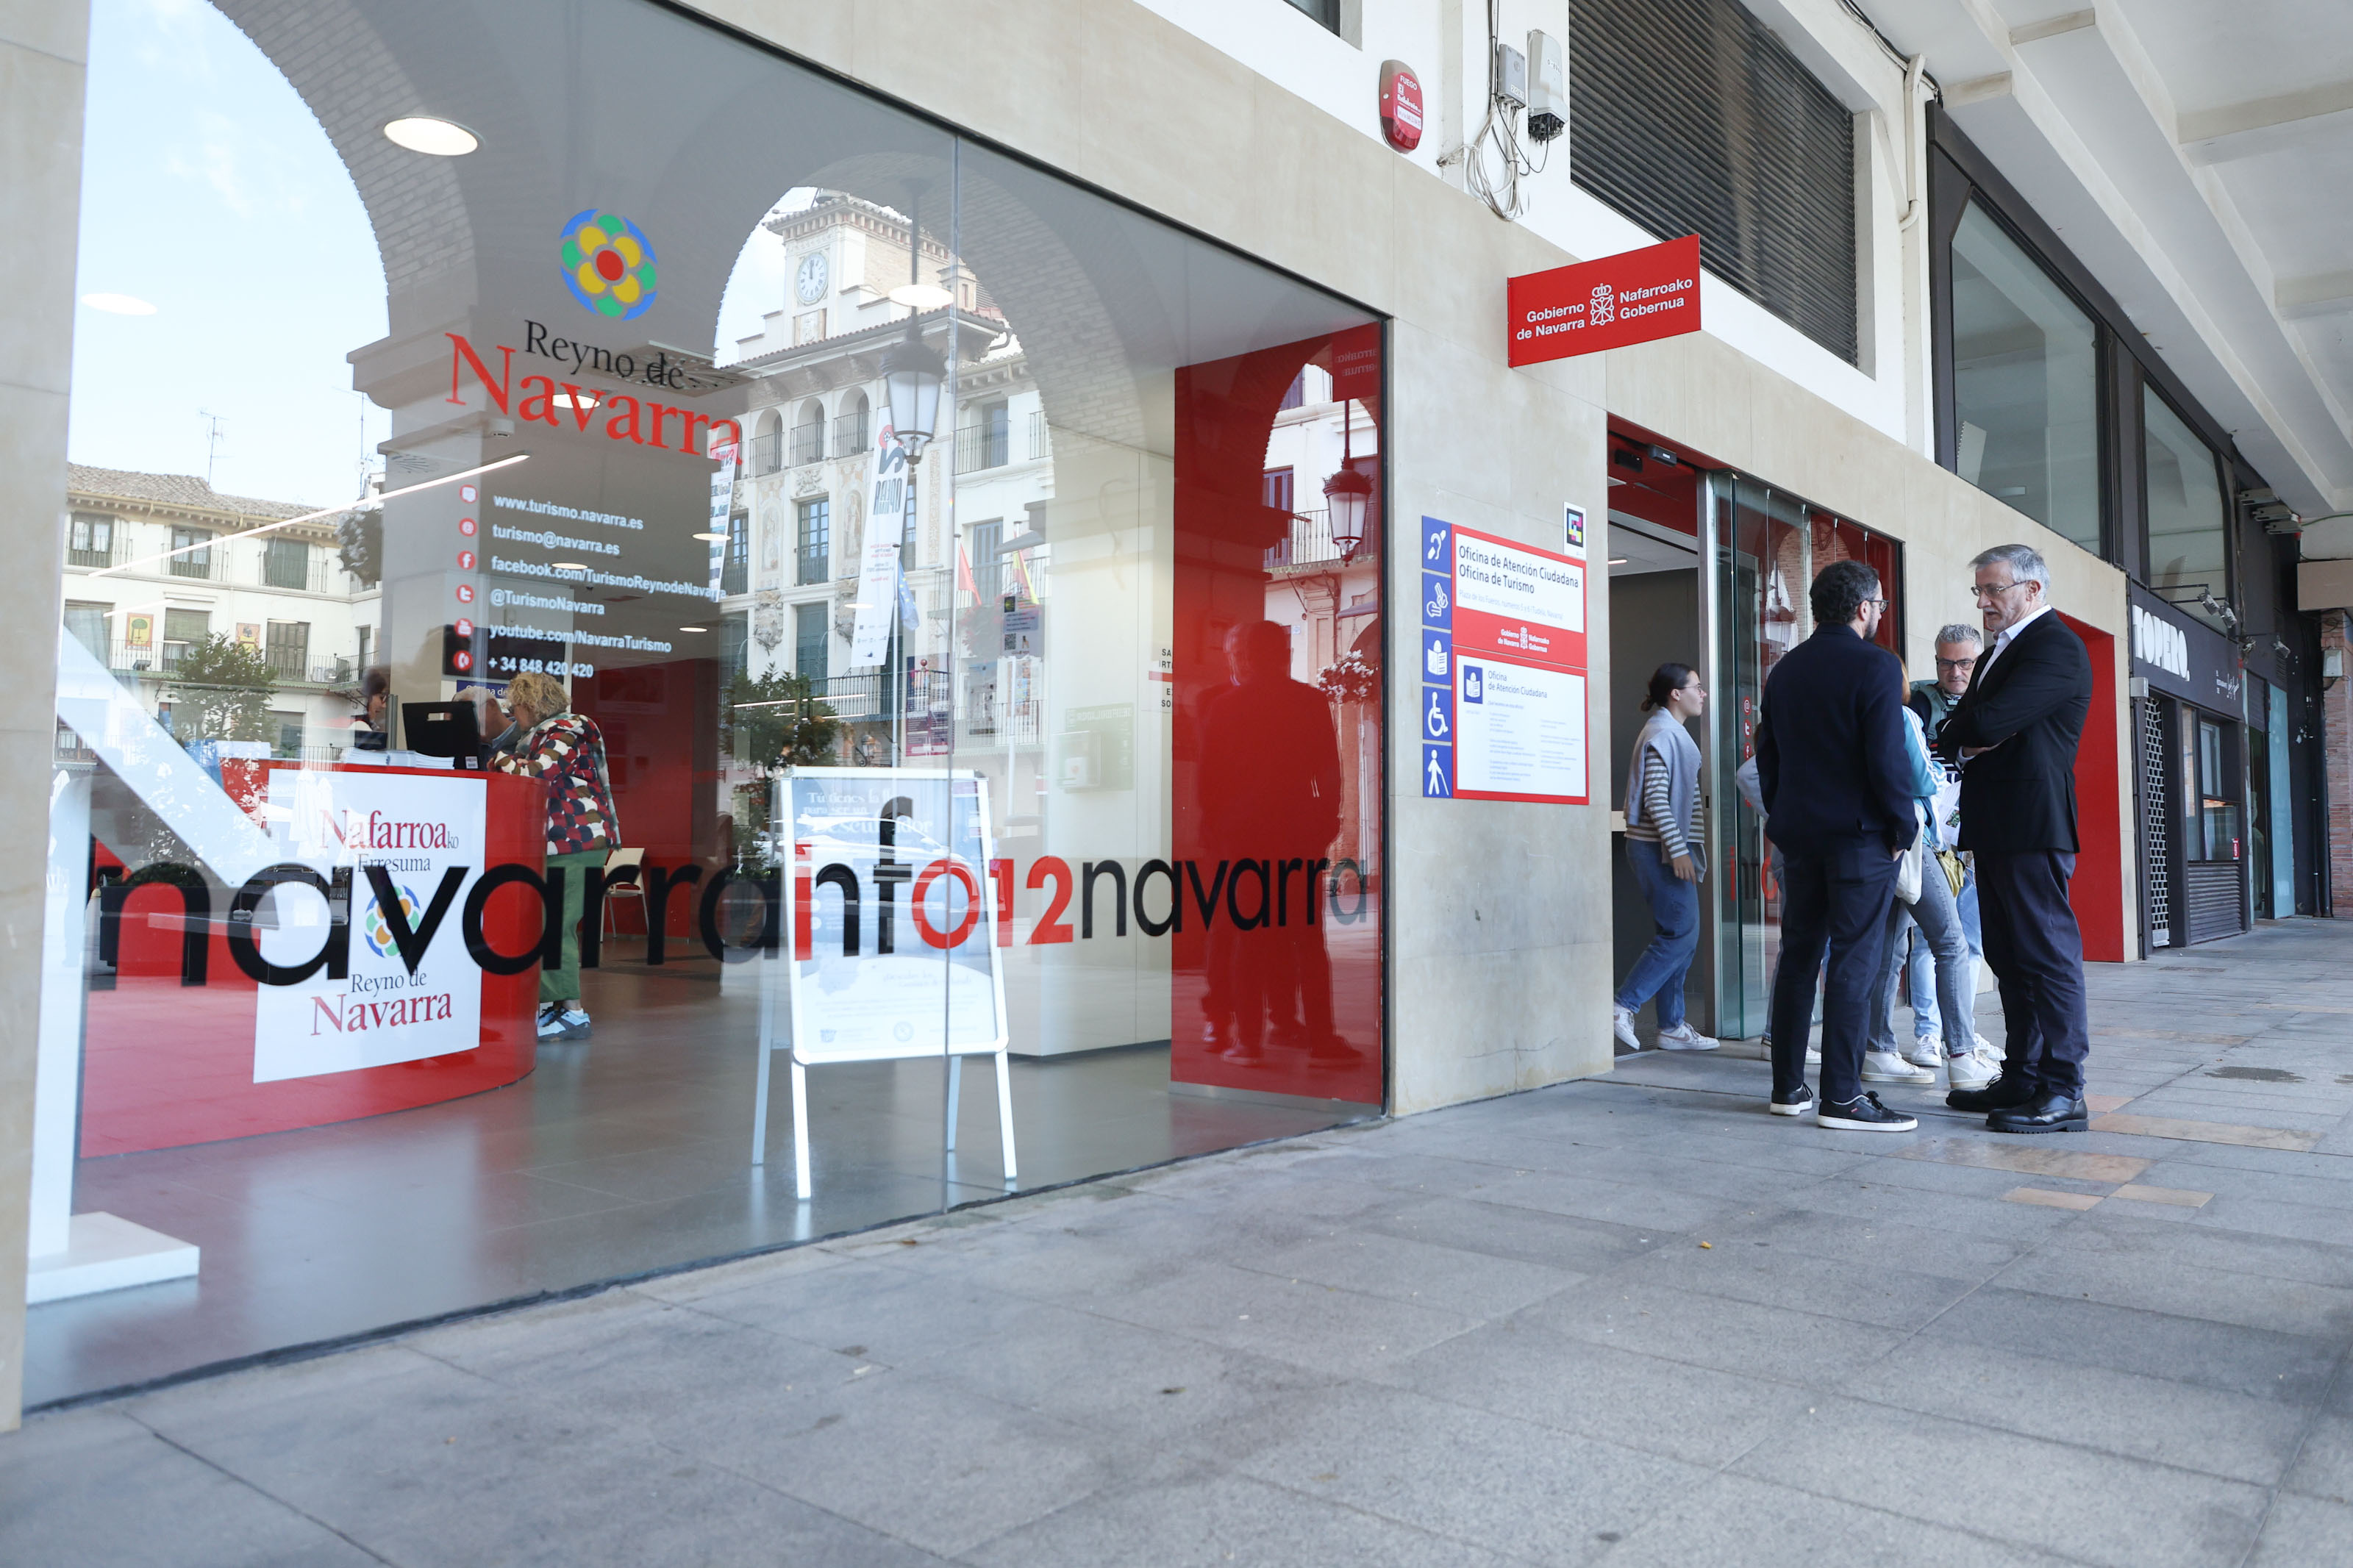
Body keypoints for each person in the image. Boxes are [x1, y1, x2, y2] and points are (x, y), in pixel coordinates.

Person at [1935, 545, 2096, 1134]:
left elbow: (1983, 723)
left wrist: (1976, 731)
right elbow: (1953, 730)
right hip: (1996, 824)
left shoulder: (2056, 646)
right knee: (2007, 956)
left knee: (2046, 955)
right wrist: (1972, 732)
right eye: (1979, 590)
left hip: (2033, 823)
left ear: (2031, 589)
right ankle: (2023, 1076)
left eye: (1994, 590)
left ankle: (2064, 1088)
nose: (1983, 602)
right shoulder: (1995, 657)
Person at [1754, 559, 1918, 1131]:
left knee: (1799, 955)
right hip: (1859, 838)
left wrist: (1785, 811)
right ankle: (1843, 1097)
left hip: (1801, 835)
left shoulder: (1786, 671)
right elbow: (1886, 758)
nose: (1879, 613)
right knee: (1855, 959)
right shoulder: (1875, 666)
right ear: (1862, 607)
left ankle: (1788, 1086)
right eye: (1878, 605)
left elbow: (1766, 755)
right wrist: (1904, 827)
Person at [1196, 621, 1352, 1065]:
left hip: (1244, 840)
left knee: (1249, 939)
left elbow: (1210, 781)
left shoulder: (1224, 707)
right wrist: (1325, 822)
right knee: (1307, 940)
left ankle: (1248, 1043)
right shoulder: (1310, 701)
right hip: (1298, 835)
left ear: (1246, 656)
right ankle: (1321, 1039)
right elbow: (1329, 769)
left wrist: (1219, 833)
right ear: (1282, 654)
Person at [1862, 657, 1999, 1092]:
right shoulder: (1901, 716)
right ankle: (1960, 1053)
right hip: (1913, 845)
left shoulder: (1851, 719)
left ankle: (1878, 1049)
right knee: (1952, 944)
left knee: (1889, 951)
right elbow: (1923, 776)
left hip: (1874, 847)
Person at [496, 670, 621, 1043]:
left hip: (578, 841)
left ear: (531, 704)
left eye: (515, 708)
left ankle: (574, 1014)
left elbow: (536, 773)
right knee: (548, 923)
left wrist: (495, 758)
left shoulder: (571, 729)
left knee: (556, 926)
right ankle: (556, 1007)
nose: (512, 715)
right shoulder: (543, 734)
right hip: (560, 843)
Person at [1612, 663, 1718, 1053]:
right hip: (1659, 848)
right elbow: (1656, 798)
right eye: (1697, 687)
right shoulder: (1662, 734)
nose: (1702, 694)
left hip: (1665, 847)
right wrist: (1677, 850)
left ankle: (1672, 1026)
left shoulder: (1669, 732)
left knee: (1680, 936)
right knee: (1680, 934)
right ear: (1676, 693)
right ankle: (1623, 1005)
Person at [1900, 624, 1990, 1067]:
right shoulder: (1914, 700)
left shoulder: (1992, 698)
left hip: (1975, 837)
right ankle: (1928, 1034)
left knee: (1970, 942)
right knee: (1929, 943)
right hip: (1929, 840)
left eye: (1965, 662)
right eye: (1946, 662)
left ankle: (1965, 1031)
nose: (1955, 671)